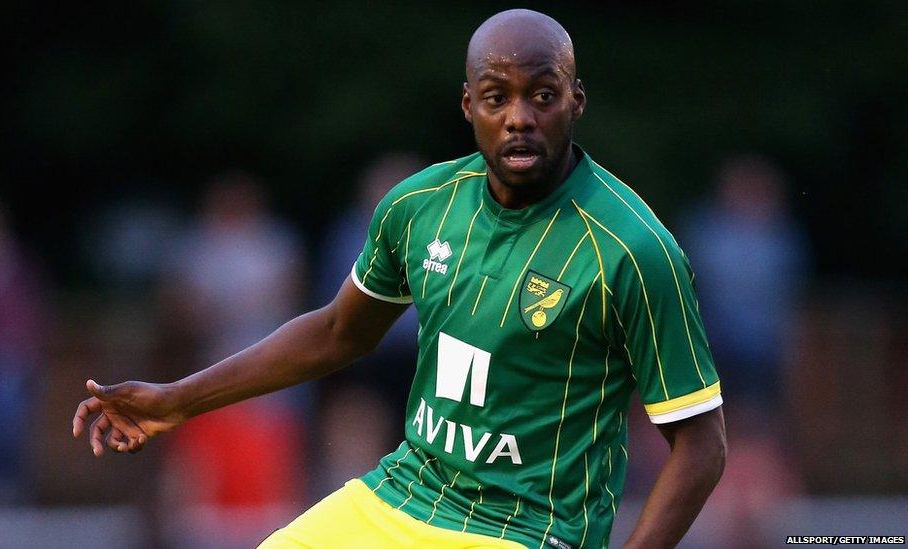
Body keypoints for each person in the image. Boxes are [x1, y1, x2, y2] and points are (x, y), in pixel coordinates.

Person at [72, 9, 726, 548]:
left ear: (575, 101)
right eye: (498, 96)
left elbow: (701, 446)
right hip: (402, 492)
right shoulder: (419, 206)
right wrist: (177, 399)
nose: (520, 116)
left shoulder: (635, 250)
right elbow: (336, 332)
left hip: (528, 530)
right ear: (470, 104)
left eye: (543, 94)